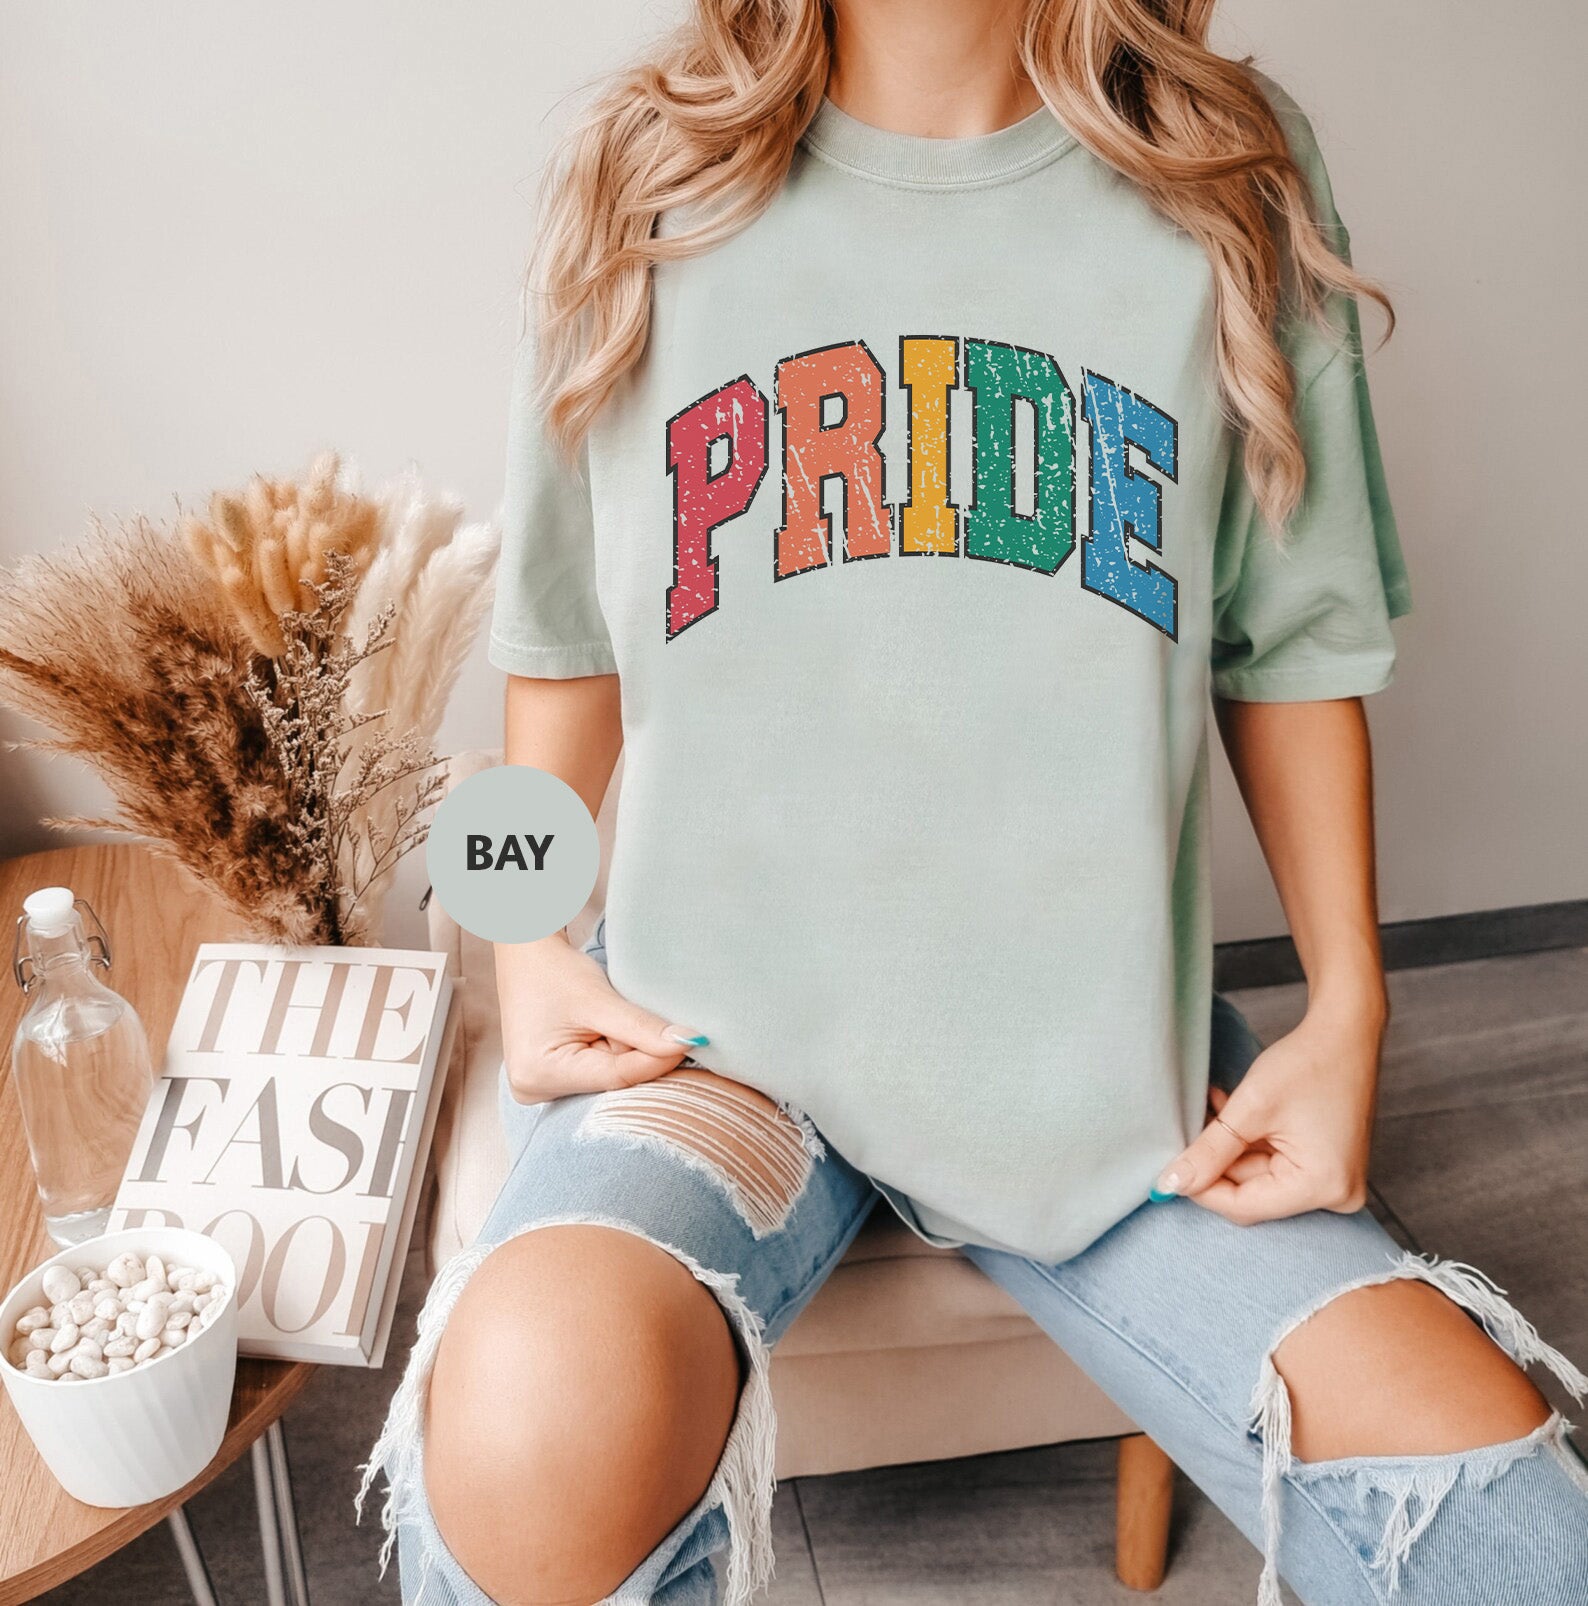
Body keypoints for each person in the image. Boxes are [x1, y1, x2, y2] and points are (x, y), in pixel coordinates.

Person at [362, 2, 1588, 1601]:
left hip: (1108, 1087)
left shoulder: (1227, 173)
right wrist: (519, 938)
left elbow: (1295, 650)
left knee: (1524, 1549)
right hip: (719, 1050)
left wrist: (1353, 1002)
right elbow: (556, 654)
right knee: (532, 1421)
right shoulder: (643, 172)